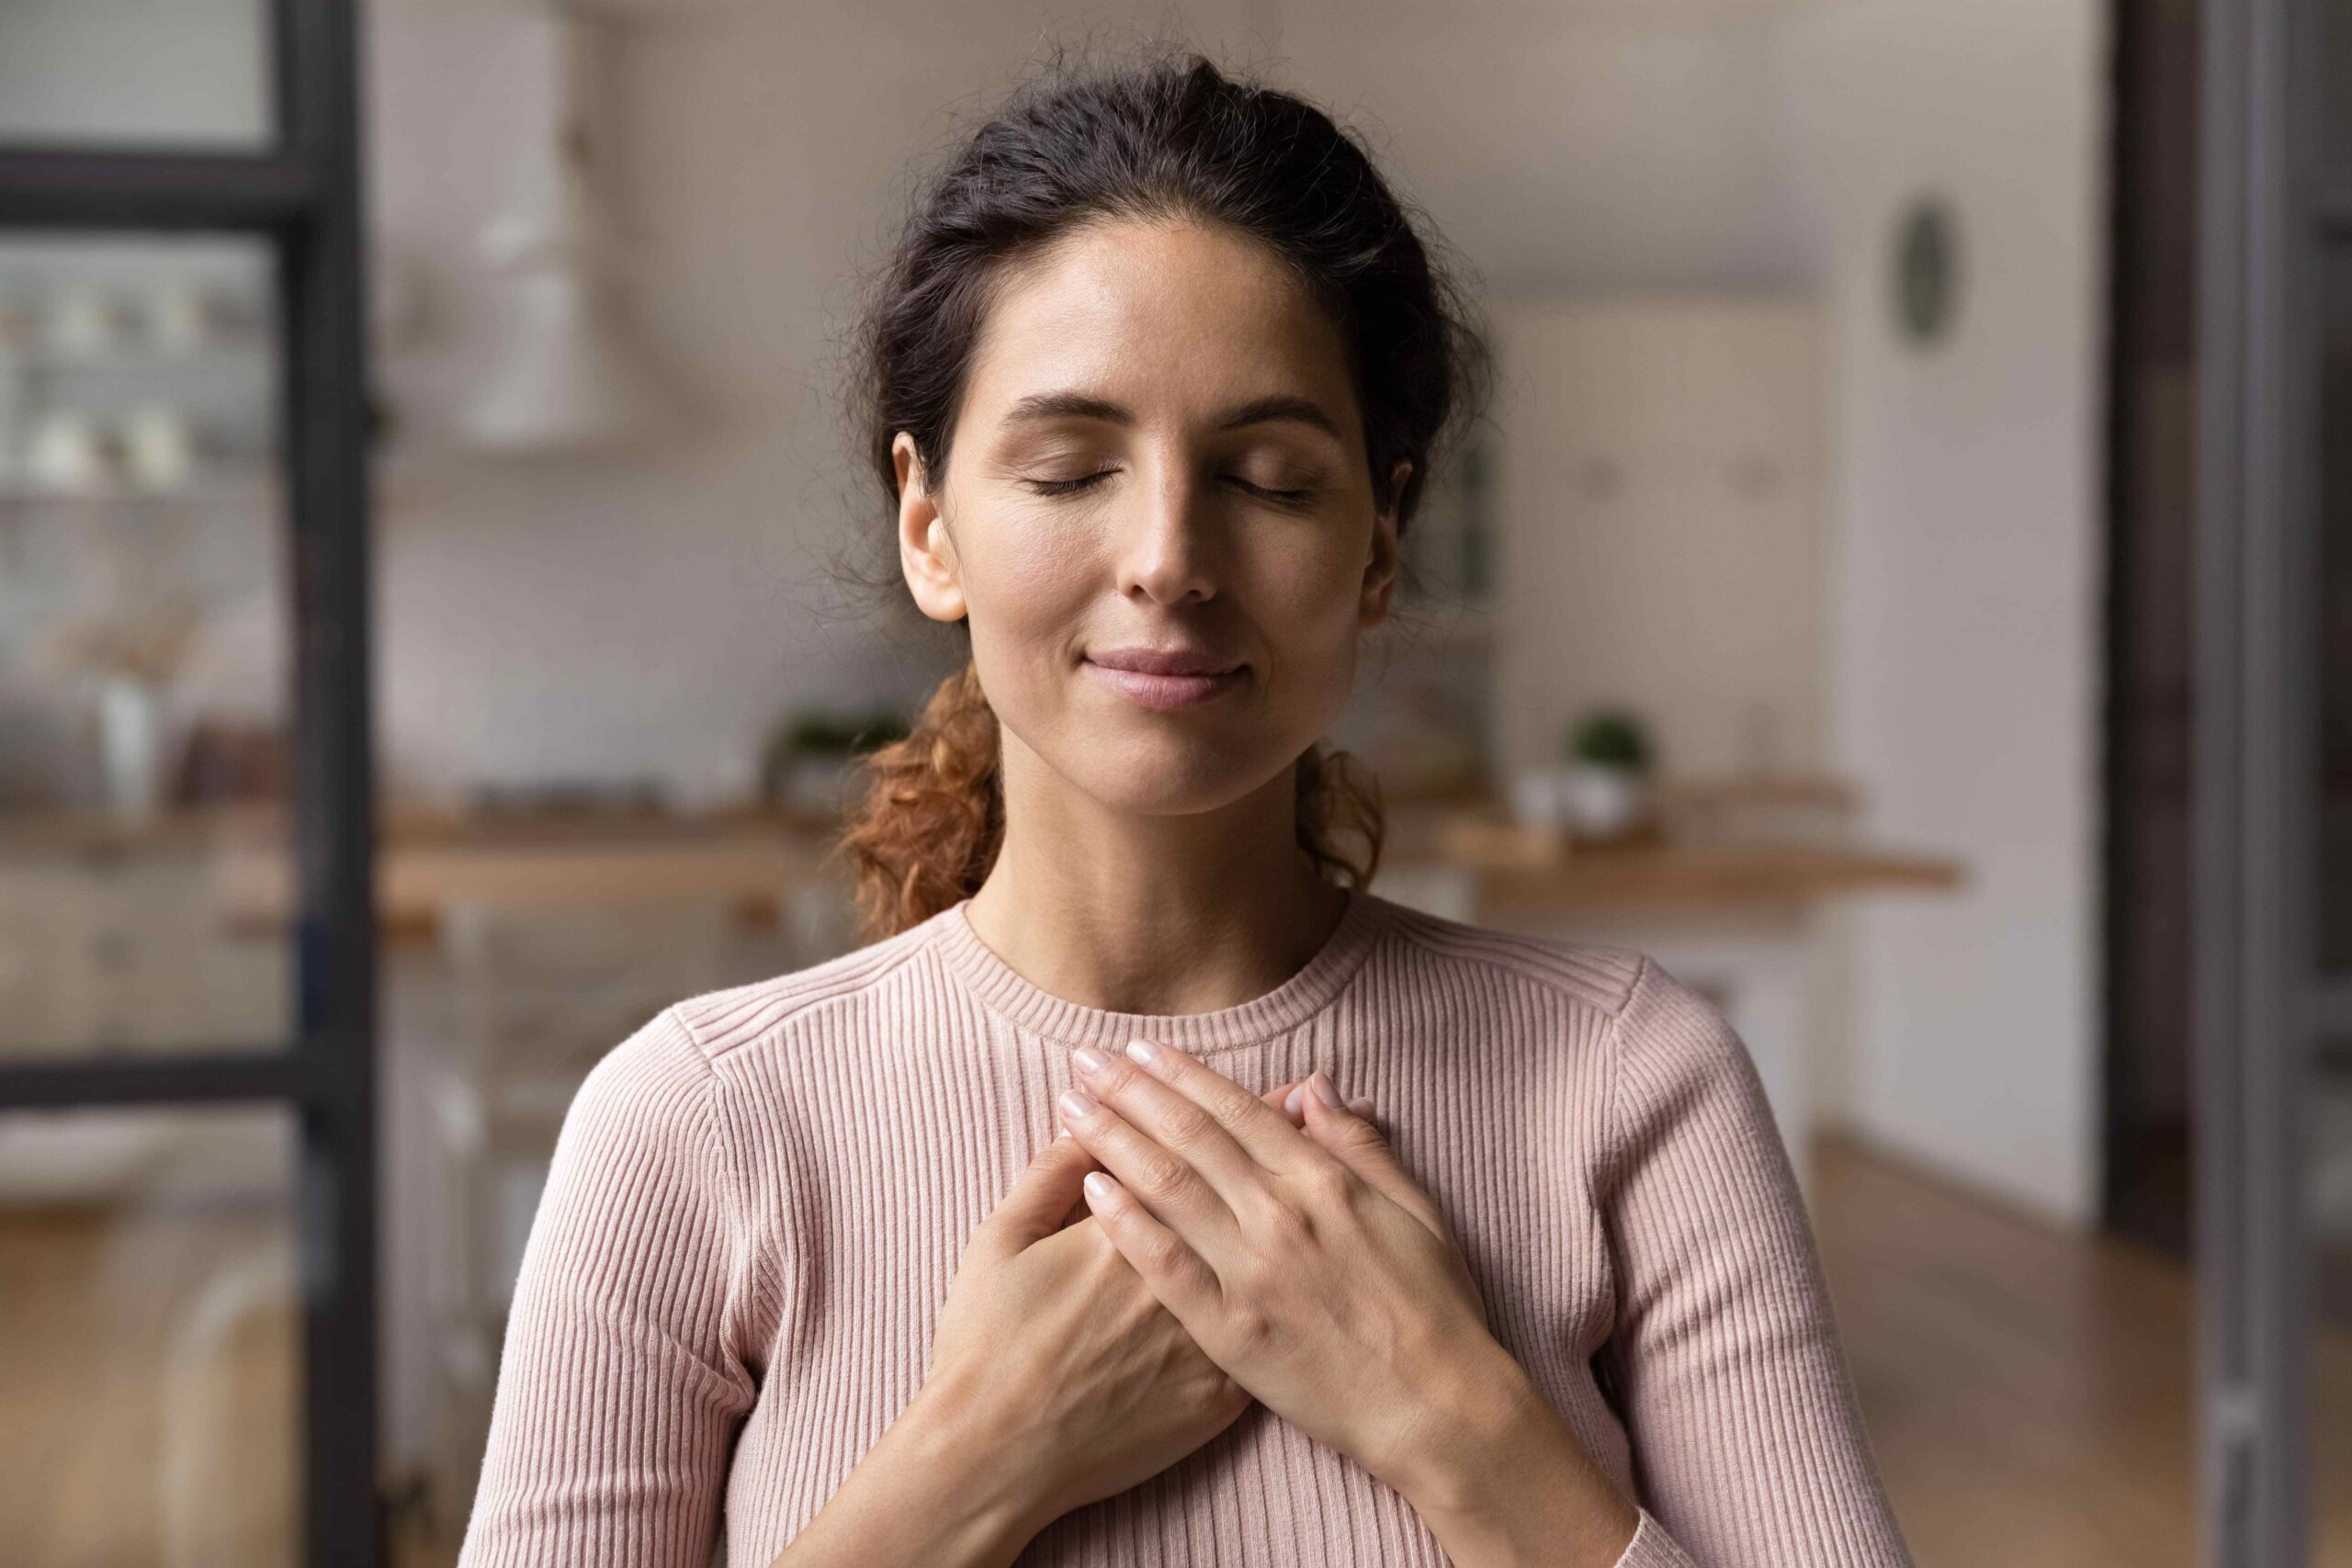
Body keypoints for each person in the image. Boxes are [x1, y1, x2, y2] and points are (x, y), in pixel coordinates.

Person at [456, 51, 1915, 1568]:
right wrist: (980, 1458)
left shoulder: (1630, 1089)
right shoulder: (695, 1127)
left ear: (1378, 546)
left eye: (1273, 480)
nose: (1167, 555)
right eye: (1073, 466)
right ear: (929, 525)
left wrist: (1451, 1419)